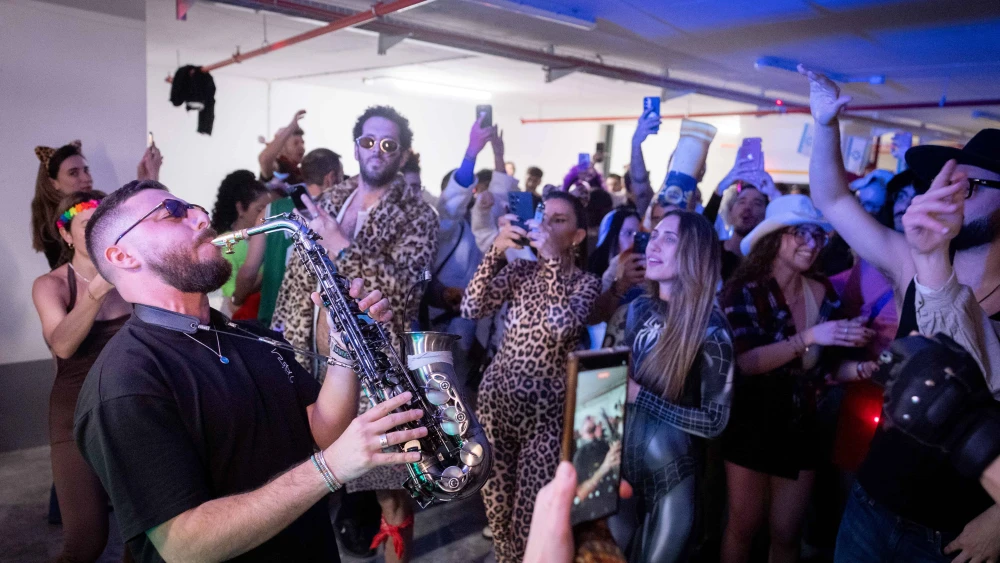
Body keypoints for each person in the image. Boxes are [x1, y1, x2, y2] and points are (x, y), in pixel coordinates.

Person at [74, 179, 424, 562]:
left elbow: (324, 432)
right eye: (173, 213)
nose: (201, 216)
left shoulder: (247, 335)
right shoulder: (126, 383)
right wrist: (329, 469)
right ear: (123, 256)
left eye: (193, 206)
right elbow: (183, 544)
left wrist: (344, 351)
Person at [799, 64, 1000, 563]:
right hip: (874, 503)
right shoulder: (913, 260)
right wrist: (825, 125)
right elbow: (832, 197)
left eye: (968, 188)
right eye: (944, 183)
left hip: (952, 533)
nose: (945, 196)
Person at [271, 105, 438, 563]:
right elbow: (296, 278)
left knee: (390, 490)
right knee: (309, 476)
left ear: (402, 155)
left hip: (377, 374)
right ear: (356, 146)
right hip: (311, 361)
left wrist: (343, 245)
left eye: (388, 144)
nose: (377, 151)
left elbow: (406, 288)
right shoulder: (329, 199)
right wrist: (281, 343)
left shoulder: (418, 216)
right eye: (368, 141)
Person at [719, 195, 876, 563]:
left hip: (801, 424)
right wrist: (809, 337)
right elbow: (747, 362)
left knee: (787, 533)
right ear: (774, 237)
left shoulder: (821, 291)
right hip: (752, 420)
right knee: (744, 528)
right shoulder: (744, 289)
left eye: (818, 236)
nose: (812, 242)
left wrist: (862, 369)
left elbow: (826, 369)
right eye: (800, 233)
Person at [461, 191, 601, 563]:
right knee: (498, 517)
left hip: (545, 417)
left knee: (528, 521)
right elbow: (471, 306)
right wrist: (494, 252)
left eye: (560, 220)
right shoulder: (520, 271)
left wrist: (553, 264)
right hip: (495, 406)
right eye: (545, 216)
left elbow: (561, 326)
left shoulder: (586, 284)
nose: (546, 225)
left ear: (577, 236)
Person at [614, 210, 734, 563]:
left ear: (694, 253)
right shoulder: (637, 309)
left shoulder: (712, 330)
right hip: (622, 465)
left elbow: (715, 422)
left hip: (674, 478)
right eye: (654, 236)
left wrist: (641, 396)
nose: (654, 245)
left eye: (669, 238)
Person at [31, 191, 132, 562]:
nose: (97, 234)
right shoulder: (51, 285)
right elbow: (62, 345)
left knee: (148, 537)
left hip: (133, 408)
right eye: (88, 226)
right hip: (75, 412)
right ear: (68, 236)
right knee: (86, 541)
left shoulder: (132, 276)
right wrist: (95, 292)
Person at [244, 147, 342, 329]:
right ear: (331, 177)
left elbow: (249, 271)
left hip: (275, 321)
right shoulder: (338, 214)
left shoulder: (270, 210)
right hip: (320, 324)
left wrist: (237, 298)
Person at [31, 141, 162, 268]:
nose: (86, 178)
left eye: (86, 170)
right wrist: (149, 185)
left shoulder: (97, 204)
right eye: (73, 173)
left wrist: (145, 184)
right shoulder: (57, 223)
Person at [209, 170, 270, 319]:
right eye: (260, 209)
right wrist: (269, 272)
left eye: (268, 210)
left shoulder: (269, 238)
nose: (266, 216)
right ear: (240, 208)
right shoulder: (226, 242)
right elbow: (233, 295)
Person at [259, 109, 307, 184]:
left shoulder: (301, 172)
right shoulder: (278, 167)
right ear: (281, 148)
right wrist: (291, 127)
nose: (302, 147)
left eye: (303, 143)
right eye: (296, 143)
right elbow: (264, 159)